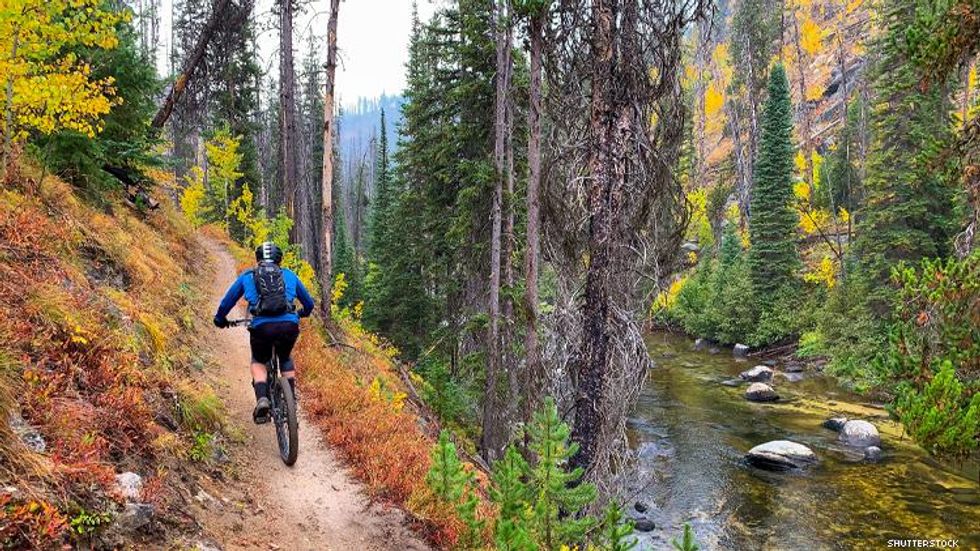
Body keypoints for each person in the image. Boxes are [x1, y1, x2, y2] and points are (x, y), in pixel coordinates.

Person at [213, 242, 315, 423]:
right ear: (279, 260)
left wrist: (220, 319)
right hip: (289, 326)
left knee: (259, 360)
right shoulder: (289, 275)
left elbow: (227, 301)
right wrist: (300, 314)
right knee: (285, 357)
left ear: (258, 259)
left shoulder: (248, 277)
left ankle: (262, 398)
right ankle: (290, 400)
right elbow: (309, 304)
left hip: (262, 328)